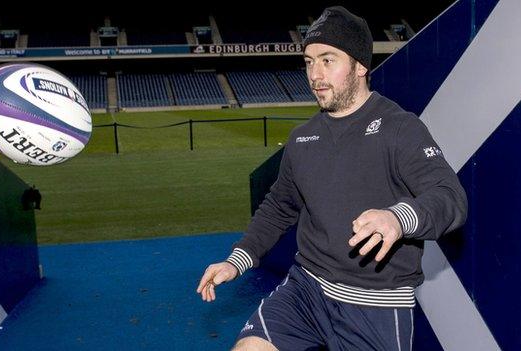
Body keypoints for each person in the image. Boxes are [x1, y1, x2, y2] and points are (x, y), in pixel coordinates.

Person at [196, 6, 467, 351]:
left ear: (360, 65)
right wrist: (237, 260)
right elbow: (279, 207)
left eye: (328, 60)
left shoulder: (401, 128)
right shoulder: (302, 139)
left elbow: (450, 197)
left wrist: (399, 218)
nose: (315, 74)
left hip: (376, 304)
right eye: (309, 62)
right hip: (306, 289)